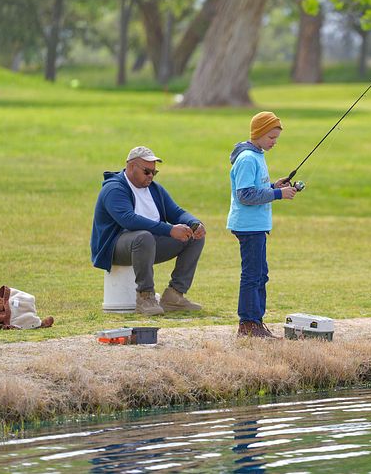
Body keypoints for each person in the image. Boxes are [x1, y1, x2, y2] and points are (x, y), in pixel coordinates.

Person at [91, 146, 205, 315]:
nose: (151, 176)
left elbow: (176, 212)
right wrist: (169, 229)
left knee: (193, 237)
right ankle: (145, 297)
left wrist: (194, 224)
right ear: (131, 167)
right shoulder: (114, 189)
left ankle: (174, 295)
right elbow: (128, 220)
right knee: (143, 237)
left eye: (154, 172)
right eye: (146, 171)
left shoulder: (154, 189)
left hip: (147, 245)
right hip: (114, 247)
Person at [228, 111, 297, 338]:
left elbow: (256, 187)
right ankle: (248, 325)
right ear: (258, 134)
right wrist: (277, 194)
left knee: (260, 274)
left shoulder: (257, 154)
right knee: (252, 275)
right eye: (271, 138)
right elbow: (245, 195)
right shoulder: (248, 158)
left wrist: (275, 185)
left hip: (256, 225)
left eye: (276, 138)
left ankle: (256, 322)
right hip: (249, 226)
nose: (274, 142)